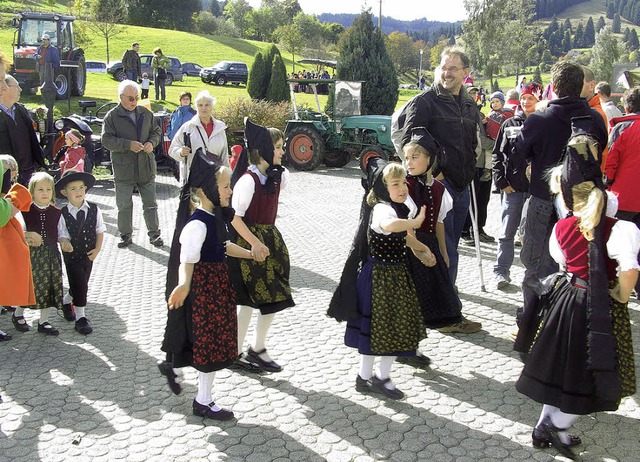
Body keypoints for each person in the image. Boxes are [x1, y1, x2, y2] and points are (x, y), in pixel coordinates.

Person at [516, 141, 639, 460]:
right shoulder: (619, 228)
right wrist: (622, 295)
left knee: (563, 369)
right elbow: (629, 269)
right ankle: (554, 426)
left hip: (567, 300)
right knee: (591, 374)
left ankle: (546, 425)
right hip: (597, 306)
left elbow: (561, 260)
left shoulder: (563, 228)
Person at [515, 61, 607, 349]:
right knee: (579, 267)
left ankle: (531, 326)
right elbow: (600, 150)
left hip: (544, 197)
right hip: (582, 204)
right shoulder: (593, 118)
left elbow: (522, 150)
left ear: (553, 86)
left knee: (535, 266)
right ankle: (569, 329)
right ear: (582, 85)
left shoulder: (539, 119)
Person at [162, 151, 254, 421]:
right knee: (207, 344)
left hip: (217, 289)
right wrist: (183, 285)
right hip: (205, 292)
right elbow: (186, 260)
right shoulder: (197, 225)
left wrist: (250, 253)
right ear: (206, 191)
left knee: (211, 344)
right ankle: (202, 400)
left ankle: (202, 396)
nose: (230, 190)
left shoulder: (215, 219)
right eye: (225, 186)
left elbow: (224, 247)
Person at [344, 159, 434, 400]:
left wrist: (422, 248)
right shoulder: (383, 209)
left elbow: (402, 237)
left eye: (403, 182)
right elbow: (390, 226)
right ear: (383, 188)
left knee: (385, 330)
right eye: (396, 184)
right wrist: (414, 223)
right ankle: (377, 378)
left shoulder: (395, 208)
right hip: (380, 278)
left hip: (393, 276)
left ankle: (367, 378)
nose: (403, 188)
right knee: (387, 330)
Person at [396, 47, 478, 290]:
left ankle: (443, 292)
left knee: (452, 245)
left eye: (453, 68)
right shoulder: (425, 102)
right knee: (442, 244)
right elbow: (408, 143)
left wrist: (473, 170)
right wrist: (433, 173)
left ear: (466, 72)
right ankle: (445, 301)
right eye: (443, 67)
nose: (447, 73)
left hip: (462, 185)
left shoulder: (469, 104)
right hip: (438, 185)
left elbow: (472, 142)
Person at [228, 120, 294, 373]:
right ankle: (236, 350)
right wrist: (255, 243)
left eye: (282, 147)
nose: (281, 152)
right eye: (278, 147)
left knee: (273, 295)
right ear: (265, 150)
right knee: (248, 300)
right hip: (248, 241)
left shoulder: (278, 176)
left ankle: (257, 347)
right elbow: (234, 219)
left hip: (270, 239)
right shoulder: (248, 181)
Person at [403, 128, 481, 337]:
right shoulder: (405, 188)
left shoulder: (439, 188)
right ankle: (407, 336)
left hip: (430, 242)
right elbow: (406, 226)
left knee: (441, 284)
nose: (408, 163)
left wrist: (444, 252)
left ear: (430, 159)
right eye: (406, 158)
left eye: (414, 157)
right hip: (410, 245)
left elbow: (439, 222)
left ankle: (449, 320)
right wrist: (419, 251)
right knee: (413, 291)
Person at [492, 82, 543, 290]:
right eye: (523, 98)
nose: (525, 101)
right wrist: (501, 181)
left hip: (537, 192)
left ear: (538, 100)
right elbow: (497, 153)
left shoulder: (544, 124)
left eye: (530, 98)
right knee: (506, 233)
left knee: (533, 236)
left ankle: (532, 275)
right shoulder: (510, 123)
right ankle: (501, 272)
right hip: (513, 189)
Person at [101, 80, 163, 249]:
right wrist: (127, 145)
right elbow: (106, 140)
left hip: (146, 166)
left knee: (150, 203)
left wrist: (152, 142)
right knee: (124, 205)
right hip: (124, 169)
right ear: (121, 97)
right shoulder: (112, 117)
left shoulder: (145, 113)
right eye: (130, 98)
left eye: (136, 98)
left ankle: (154, 235)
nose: (134, 102)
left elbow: (156, 132)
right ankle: (125, 235)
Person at [13, 172, 64, 335]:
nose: (45, 193)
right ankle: (18, 314)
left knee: (50, 287)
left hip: (51, 255)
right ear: (32, 191)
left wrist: (64, 240)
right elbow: (20, 230)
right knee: (29, 286)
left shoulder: (57, 212)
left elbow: (61, 231)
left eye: (49, 189)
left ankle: (44, 321)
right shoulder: (25, 211)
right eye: (40, 189)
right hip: (30, 256)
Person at [56, 170, 105, 335]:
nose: (78, 191)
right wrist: (64, 242)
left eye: (81, 188)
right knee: (80, 284)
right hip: (71, 256)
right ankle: (81, 318)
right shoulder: (62, 213)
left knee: (82, 282)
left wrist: (97, 249)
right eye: (73, 188)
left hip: (89, 254)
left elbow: (100, 230)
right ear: (64, 192)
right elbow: (61, 233)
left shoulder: (94, 209)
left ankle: (66, 300)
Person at [605, 86, 640, 295]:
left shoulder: (623, 127)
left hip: (624, 197)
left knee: (623, 243)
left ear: (626, 106)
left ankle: (621, 285)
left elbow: (611, 161)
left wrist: (608, 183)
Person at [168, 90, 229, 183]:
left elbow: (224, 155)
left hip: (215, 179)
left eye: (207, 105)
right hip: (193, 180)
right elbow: (172, 149)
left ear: (212, 107)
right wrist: (181, 152)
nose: (204, 108)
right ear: (196, 107)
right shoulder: (188, 127)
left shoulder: (220, 128)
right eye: (200, 105)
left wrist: (226, 177)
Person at [0, 74, 46, 186]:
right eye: (17, 86)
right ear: (5, 88)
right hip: (8, 175)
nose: (20, 89)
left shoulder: (21, 110)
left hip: (29, 171)